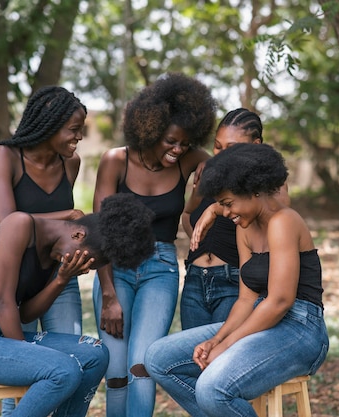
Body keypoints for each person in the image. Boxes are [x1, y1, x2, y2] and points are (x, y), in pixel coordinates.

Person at [144, 143, 329, 417]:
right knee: (159, 358)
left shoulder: (284, 222)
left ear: (254, 190)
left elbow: (279, 301)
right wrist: (216, 339)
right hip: (261, 319)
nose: (226, 213)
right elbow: (246, 300)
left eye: (228, 204)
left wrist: (226, 345)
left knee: (212, 388)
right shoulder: (245, 228)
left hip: (301, 329)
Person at [0, 194, 156, 417]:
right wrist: (26, 355)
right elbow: (1, 301)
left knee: (95, 354)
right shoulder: (19, 225)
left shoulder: (55, 253)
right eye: (86, 260)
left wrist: (61, 279)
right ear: (78, 234)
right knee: (64, 370)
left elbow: (26, 314)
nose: (83, 268)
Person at [92, 72, 217, 417]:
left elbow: (216, 164)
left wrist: (204, 180)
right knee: (116, 371)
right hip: (113, 268)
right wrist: (108, 296)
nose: (178, 150)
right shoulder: (115, 160)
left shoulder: (190, 159)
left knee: (142, 365)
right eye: (170, 141)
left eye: (185, 144)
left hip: (160, 267)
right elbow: (100, 229)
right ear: (149, 130)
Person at [0, 85, 89, 415]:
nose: (79, 138)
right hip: (17, 277)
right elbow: (7, 223)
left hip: (60, 274)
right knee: (19, 372)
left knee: (74, 358)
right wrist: (68, 215)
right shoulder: (6, 155)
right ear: (51, 124)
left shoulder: (71, 164)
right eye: (74, 130)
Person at [180, 108, 290, 330]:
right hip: (194, 280)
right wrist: (199, 240)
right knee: (194, 360)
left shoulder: (270, 181)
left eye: (231, 148)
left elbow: (276, 216)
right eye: (217, 147)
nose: (221, 155)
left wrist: (215, 209)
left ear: (256, 145)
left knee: (220, 358)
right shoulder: (209, 174)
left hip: (232, 282)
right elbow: (188, 214)